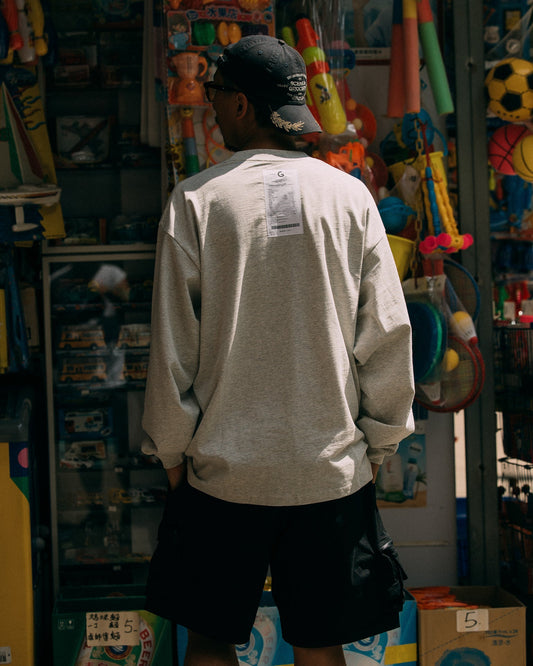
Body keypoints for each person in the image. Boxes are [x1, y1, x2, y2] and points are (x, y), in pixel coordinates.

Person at [142, 34, 415, 666]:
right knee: (320, 643)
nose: (212, 108)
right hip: (329, 471)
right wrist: (378, 445)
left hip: (221, 476)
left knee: (209, 639)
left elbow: (172, 349)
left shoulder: (196, 201)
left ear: (240, 104)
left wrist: (172, 454)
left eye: (216, 95)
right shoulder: (350, 197)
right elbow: (387, 334)